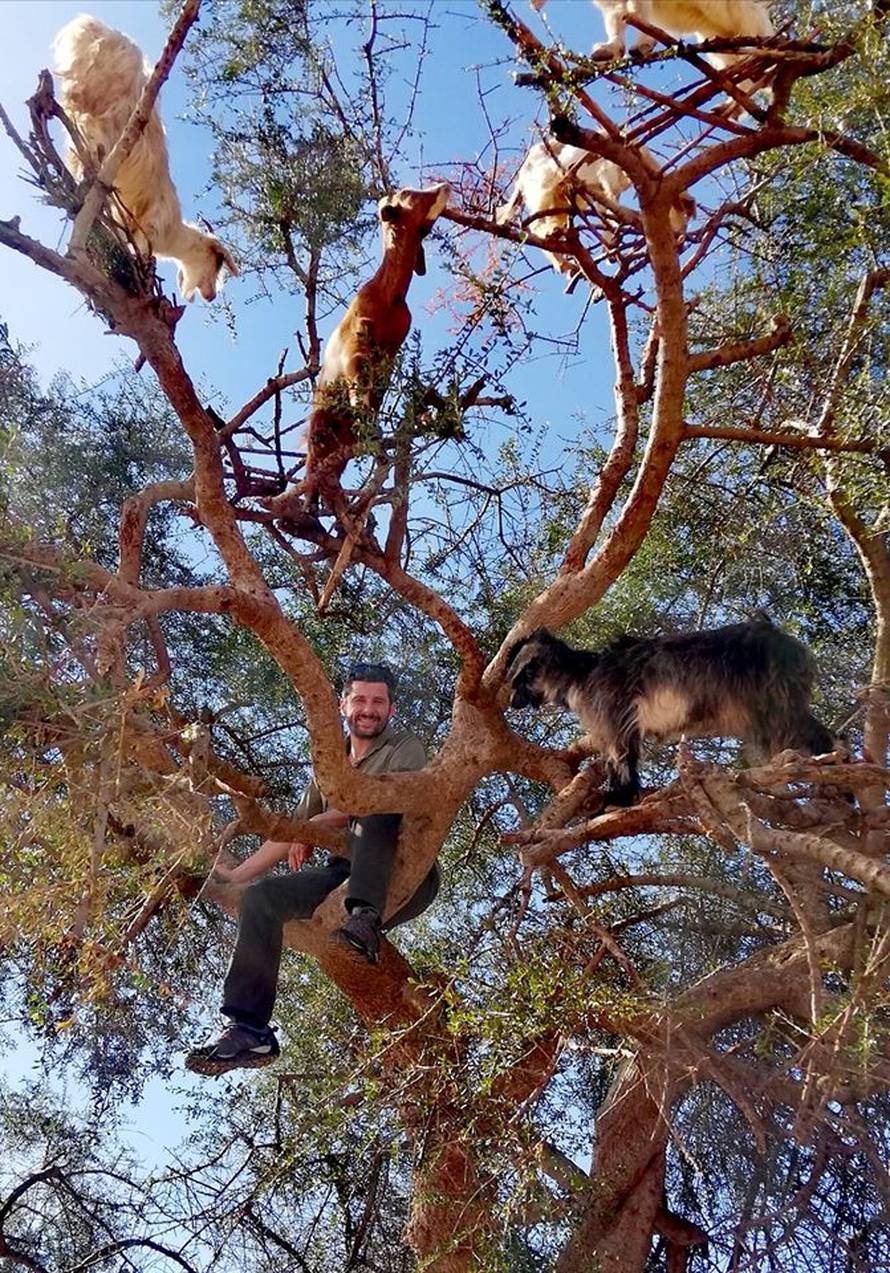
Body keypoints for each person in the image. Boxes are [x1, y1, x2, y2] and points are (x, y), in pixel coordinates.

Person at [186, 662, 438, 1075]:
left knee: (374, 809)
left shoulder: (404, 747)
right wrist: (235, 876)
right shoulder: (329, 765)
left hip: (403, 869)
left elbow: (375, 803)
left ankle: (365, 920)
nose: (369, 709)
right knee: (262, 899)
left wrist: (312, 828)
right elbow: (287, 831)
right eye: (360, 700)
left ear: (390, 710)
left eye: (379, 702)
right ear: (343, 705)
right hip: (345, 872)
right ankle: (250, 1029)